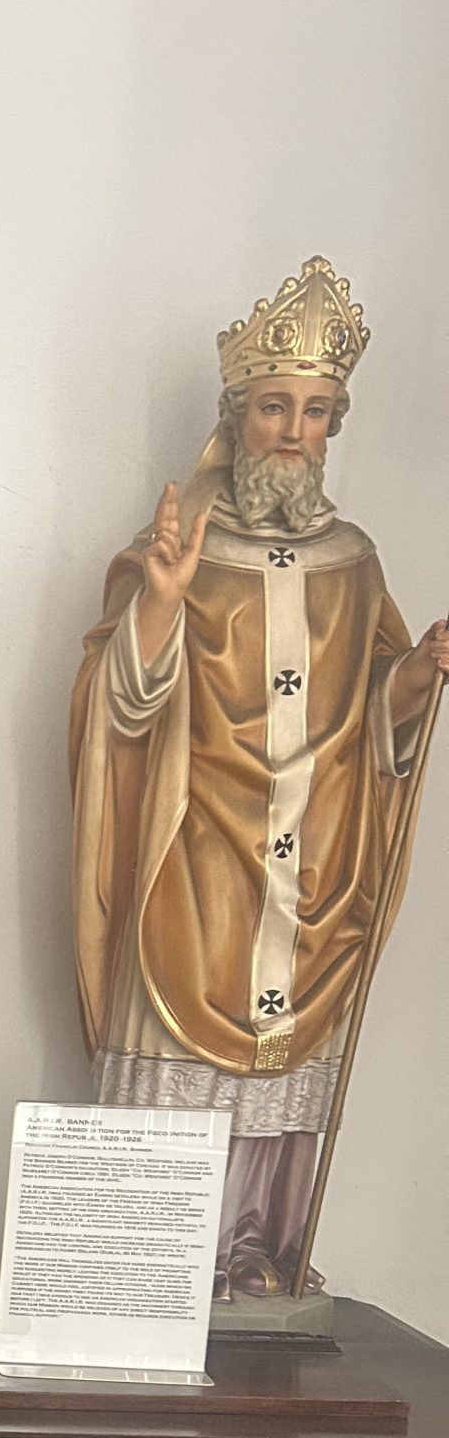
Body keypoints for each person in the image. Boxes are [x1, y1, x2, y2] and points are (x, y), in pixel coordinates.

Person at [70, 258, 449, 1296]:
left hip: (314, 863)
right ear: (237, 417)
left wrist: (413, 677)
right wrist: (160, 602)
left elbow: (377, 721)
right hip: (196, 859)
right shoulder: (182, 547)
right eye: (276, 406)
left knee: (283, 1082)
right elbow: (123, 708)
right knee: (178, 1067)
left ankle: (255, 1254)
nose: (295, 430)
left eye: (318, 411)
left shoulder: (356, 559)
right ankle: (149, 1263)